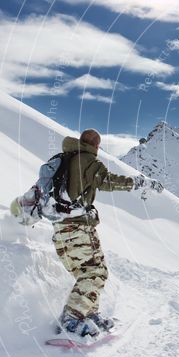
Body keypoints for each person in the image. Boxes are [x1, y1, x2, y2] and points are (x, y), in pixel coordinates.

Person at [52, 129, 147, 337]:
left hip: (64, 228)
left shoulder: (68, 158)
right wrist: (134, 183)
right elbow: (107, 181)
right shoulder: (87, 161)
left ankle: (88, 312)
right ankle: (71, 319)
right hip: (76, 227)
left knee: (96, 270)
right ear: (96, 145)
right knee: (93, 272)